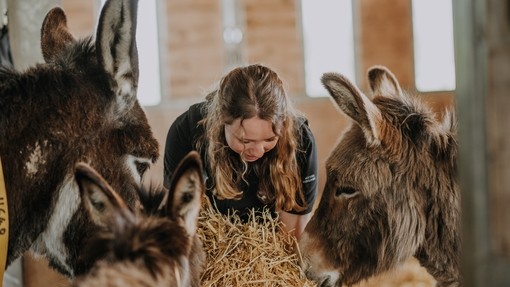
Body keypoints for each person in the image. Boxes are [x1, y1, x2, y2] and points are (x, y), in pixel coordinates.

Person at [163, 64, 318, 239]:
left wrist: (281, 262)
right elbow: (179, 216)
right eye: (245, 141)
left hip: (272, 239)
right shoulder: (186, 131)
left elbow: (294, 228)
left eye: (269, 139)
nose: (258, 151)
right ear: (221, 121)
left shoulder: (300, 140)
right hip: (213, 237)